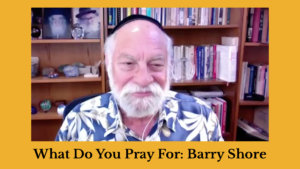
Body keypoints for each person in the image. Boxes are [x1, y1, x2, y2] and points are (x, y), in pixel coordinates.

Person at [55, 15, 224, 141]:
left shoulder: (203, 118)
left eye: (157, 64)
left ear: (170, 65)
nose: (143, 80)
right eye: (128, 63)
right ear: (108, 65)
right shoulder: (77, 121)